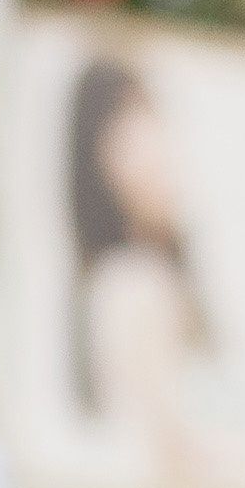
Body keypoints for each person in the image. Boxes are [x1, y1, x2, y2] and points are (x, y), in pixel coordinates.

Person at [65, 55, 207, 465]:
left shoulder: (134, 279)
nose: (160, 159)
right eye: (131, 146)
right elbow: (172, 445)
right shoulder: (134, 284)